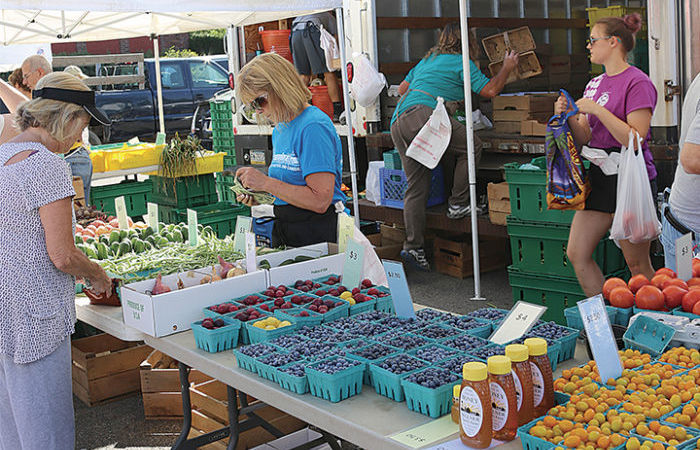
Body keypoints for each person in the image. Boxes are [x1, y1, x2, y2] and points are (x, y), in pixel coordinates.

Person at [0, 71, 112, 450]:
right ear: (66, 117)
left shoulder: (3, 155)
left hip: (5, 305)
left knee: (11, 422)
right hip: (35, 312)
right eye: (83, 123)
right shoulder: (47, 166)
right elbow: (63, 256)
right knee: (46, 427)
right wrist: (97, 274)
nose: (82, 136)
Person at [390, 23, 519, 271]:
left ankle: (413, 248)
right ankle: (459, 203)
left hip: (399, 120)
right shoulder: (461, 61)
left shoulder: (429, 59)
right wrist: (507, 67)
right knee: (471, 146)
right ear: (468, 42)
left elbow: (403, 88)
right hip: (424, 115)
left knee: (417, 186)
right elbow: (490, 89)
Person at [556, 13, 658, 296]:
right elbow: (586, 136)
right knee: (576, 253)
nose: (588, 46)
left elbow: (635, 138)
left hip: (630, 176)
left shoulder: (637, 82)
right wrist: (567, 118)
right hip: (599, 174)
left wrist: (598, 110)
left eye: (592, 40)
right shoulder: (594, 84)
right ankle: (606, 323)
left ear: (613, 42)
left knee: (636, 263)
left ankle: (654, 322)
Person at [234, 53, 345, 247]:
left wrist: (266, 183)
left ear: (279, 88)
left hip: (319, 234)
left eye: (259, 101)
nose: (258, 110)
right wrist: (260, 197)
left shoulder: (313, 127)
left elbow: (320, 201)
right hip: (291, 233)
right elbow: (289, 189)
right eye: (252, 105)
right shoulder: (281, 128)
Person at [660, 73, 700, 270]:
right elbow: (692, 159)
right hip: (690, 236)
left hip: (684, 227)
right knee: (685, 295)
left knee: (683, 297)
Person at [290, 12, 343, 121]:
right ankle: (337, 112)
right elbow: (336, 40)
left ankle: (298, 109)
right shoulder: (330, 16)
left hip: (295, 32)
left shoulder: (307, 9)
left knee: (303, 76)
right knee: (329, 72)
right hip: (311, 30)